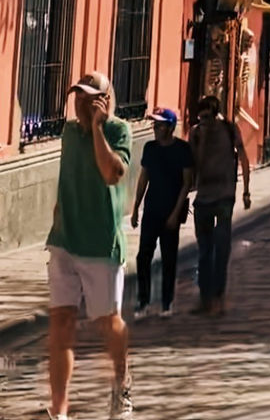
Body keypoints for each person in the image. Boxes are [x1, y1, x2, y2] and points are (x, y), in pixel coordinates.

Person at [46, 71, 134, 420]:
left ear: (104, 100)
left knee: (108, 322)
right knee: (61, 323)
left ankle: (121, 382)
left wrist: (98, 127)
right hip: (64, 242)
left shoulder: (118, 131)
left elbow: (111, 173)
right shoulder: (68, 132)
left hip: (101, 245)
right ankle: (60, 408)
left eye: (87, 97)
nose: (79, 103)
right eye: (77, 97)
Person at [189, 95, 251, 315]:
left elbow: (243, 157)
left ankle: (218, 297)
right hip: (203, 197)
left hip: (225, 196)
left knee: (222, 248)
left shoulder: (229, 129)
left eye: (209, 116)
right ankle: (205, 297)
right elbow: (194, 165)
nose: (206, 120)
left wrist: (246, 190)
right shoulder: (196, 134)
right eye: (202, 117)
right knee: (204, 251)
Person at [131, 107, 193, 319]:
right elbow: (143, 178)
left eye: (160, 125)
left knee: (169, 259)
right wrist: (135, 207)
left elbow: (187, 183)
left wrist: (176, 213)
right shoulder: (150, 148)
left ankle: (167, 301)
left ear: (170, 127)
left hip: (170, 211)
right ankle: (143, 300)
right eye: (154, 125)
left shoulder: (182, 150)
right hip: (151, 210)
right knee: (143, 257)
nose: (156, 129)